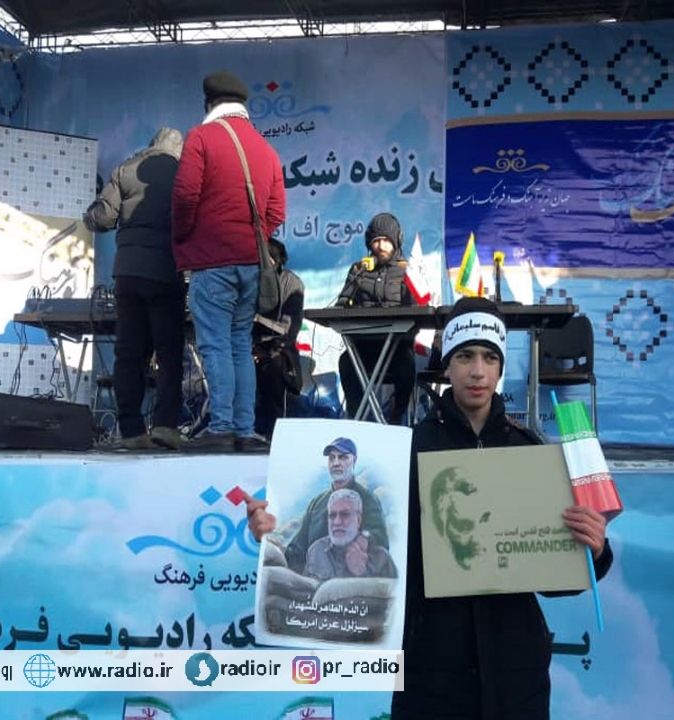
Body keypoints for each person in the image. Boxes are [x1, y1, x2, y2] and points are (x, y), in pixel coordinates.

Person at [248, 297, 613, 717]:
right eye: (465, 356)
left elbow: (556, 581)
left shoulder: (529, 451)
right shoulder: (406, 450)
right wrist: (270, 530)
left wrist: (594, 550)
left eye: (490, 357)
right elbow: (337, 546)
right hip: (431, 675)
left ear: (500, 367)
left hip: (516, 676)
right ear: (447, 364)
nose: (478, 371)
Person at [172, 70, 285, 453]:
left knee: (216, 344)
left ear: (209, 104)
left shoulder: (201, 137)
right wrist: (253, 239)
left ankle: (220, 427)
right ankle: (244, 429)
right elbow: (277, 211)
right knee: (240, 344)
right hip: (252, 264)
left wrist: (185, 236)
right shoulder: (266, 150)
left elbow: (185, 195)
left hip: (212, 262)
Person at [83, 127, 186, 451]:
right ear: (178, 149)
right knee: (169, 354)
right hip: (167, 272)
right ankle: (165, 426)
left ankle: (131, 430)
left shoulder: (125, 169)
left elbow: (103, 218)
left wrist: (88, 216)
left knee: (129, 353)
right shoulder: (184, 173)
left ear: (152, 145)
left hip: (128, 273)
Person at [334, 212, 416, 424]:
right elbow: (341, 304)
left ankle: (397, 420)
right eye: (375, 241)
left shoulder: (407, 271)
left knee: (407, 365)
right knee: (346, 362)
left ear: (396, 241)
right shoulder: (358, 270)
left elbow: (417, 310)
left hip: (396, 349)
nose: (380, 246)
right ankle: (359, 420)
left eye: (386, 240)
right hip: (364, 348)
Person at [282, 437, 389, 573]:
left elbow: (380, 536)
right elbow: (298, 547)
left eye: (343, 457)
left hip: (351, 580)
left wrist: (364, 539)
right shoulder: (317, 503)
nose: (336, 463)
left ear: (354, 460)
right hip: (313, 578)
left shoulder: (368, 500)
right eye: (332, 458)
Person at [253, 238, 304, 440]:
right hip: (244, 347)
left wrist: (263, 350)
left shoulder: (292, 283)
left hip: (277, 348)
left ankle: (274, 432)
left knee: (275, 366)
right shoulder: (248, 279)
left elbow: (289, 329)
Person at [303, 488, 398, 581]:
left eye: (345, 515)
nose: (337, 522)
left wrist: (361, 574)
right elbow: (306, 589)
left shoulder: (380, 559)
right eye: (332, 515)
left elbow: (395, 590)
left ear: (358, 520)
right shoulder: (316, 551)